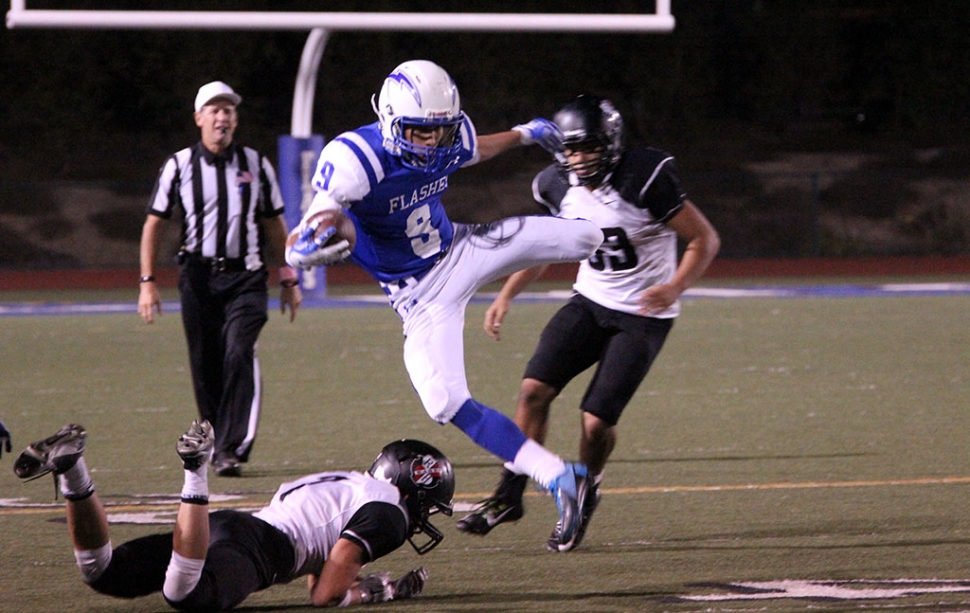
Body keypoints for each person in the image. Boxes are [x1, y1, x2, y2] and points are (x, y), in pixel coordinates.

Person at [285, 60, 605, 552]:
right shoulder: (357, 157)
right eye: (418, 131)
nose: (429, 143)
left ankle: (590, 195)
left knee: (588, 234)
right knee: (443, 400)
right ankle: (563, 477)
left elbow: (475, 149)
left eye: (437, 132)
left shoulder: (443, 134)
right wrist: (304, 243)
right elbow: (320, 217)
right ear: (391, 119)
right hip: (419, 295)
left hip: (463, 248)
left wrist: (523, 134)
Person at [456, 94, 721, 551]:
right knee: (533, 391)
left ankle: (587, 487)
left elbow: (703, 238)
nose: (578, 159)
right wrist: (506, 295)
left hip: (642, 314)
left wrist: (673, 288)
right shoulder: (556, 185)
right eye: (570, 150)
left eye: (587, 148)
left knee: (595, 422)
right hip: (591, 300)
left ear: (611, 144)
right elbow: (543, 246)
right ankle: (508, 493)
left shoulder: (644, 178)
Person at [13, 420, 453, 609]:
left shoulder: (355, 485)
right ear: (412, 485)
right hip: (258, 549)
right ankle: (195, 473)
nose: (424, 515)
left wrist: (363, 583)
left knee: (102, 572)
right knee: (184, 597)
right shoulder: (389, 513)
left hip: (233, 528)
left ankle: (74, 472)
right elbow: (325, 596)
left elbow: (322, 569)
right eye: (429, 503)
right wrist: (371, 593)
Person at [138, 81, 303, 477]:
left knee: (238, 350)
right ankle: (214, 438)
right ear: (199, 119)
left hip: (245, 276)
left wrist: (288, 276)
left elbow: (274, 223)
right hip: (197, 277)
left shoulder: (255, 164)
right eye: (214, 109)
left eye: (229, 110)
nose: (223, 116)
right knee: (205, 364)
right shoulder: (179, 166)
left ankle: (232, 447)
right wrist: (147, 281)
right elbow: (153, 225)